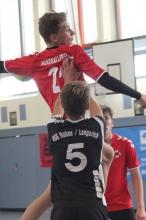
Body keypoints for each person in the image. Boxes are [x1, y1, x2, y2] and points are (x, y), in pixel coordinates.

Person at [0, 11, 146, 112]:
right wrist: (137, 95)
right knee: (105, 156)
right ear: (54, 37)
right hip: (81, 118)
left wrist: (20, 70)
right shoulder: (73, 52)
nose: (72, 32)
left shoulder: (33, 61)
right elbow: (103, 79)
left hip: (57, 121)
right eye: (67, 29)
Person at [47, 58, 114, 219]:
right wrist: (80, 82)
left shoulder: (54, 129)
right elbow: (97, 110)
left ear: (63, 103)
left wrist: (68, 80)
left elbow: (57, 108)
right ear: (85, 106)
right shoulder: (96, 126)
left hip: (63, 204)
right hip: (91, 203)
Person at [101, 105, 146, 220]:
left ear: (112, 122)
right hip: (98, 206)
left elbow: (136, 176)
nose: (103, 122)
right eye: (99, 119)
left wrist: (141, 206)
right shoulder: (90, 147)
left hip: (122, 206)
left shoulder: (125, 144)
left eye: (106, 118)